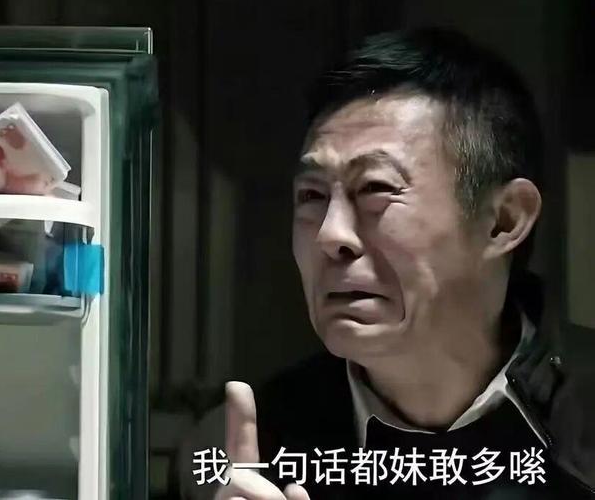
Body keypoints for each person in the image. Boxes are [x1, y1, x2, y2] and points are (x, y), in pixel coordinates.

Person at [180, 28, 595, 499]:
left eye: (375, 189)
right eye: (312, 195)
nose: (330, 235)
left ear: (503, 220)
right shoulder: (242, 455)